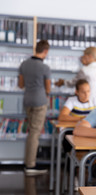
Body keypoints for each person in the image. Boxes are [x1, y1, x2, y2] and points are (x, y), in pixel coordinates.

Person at [18, 40, 51, 175]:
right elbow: (48, 88)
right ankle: (30, 165)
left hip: (28, 101)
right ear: (46, 51)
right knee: (35, 133)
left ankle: (28, 162)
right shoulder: (45, 68)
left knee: (32, 131)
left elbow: (21, 85)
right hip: (39, 101)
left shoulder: (24, 64)